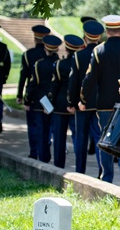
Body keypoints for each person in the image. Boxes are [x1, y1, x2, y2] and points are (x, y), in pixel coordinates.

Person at [80, 15, 120, 188]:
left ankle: (107, 176)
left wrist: (83, 99)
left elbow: (89, 78)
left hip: (105, 103)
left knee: (106, 138)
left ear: (107, 31)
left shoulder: (99, 51)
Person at [68, 19, 104, 174]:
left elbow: (74, 81)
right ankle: (101, 169)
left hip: (83, 103)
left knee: (81, 138)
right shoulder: (103, 53)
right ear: (99, 37)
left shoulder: (78, 55)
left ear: (85, 36)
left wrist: (71, 101)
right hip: (100, 103)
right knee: (98, 137)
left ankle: (80, 170)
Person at [24, 35, 62, 163]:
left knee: (42, 131)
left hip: (41, 101)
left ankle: (43, 156)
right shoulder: (60, 64)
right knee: (54, 131)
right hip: (55, 102)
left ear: (46, 48)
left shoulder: (39, 64)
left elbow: (33, 84)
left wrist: (27, 100)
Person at [48, 34, 83, 169]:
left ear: (66, 48)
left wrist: (49, 101)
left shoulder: (59, 64)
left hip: (60, 105)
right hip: (77, 104)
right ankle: (79, 165)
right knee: (77, 137)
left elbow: (54, 86)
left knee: (59, 138)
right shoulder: (80, 64)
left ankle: (58, 165)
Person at [17, 25, 50, 158]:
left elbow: (23, 76)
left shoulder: (28, 54)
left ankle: (34, 151)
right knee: (47, 125)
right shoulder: (48, 55)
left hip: (33, 95)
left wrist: (20, 94)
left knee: (33, 126)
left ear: (35, 38)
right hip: (47, 95)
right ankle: (45, 151)